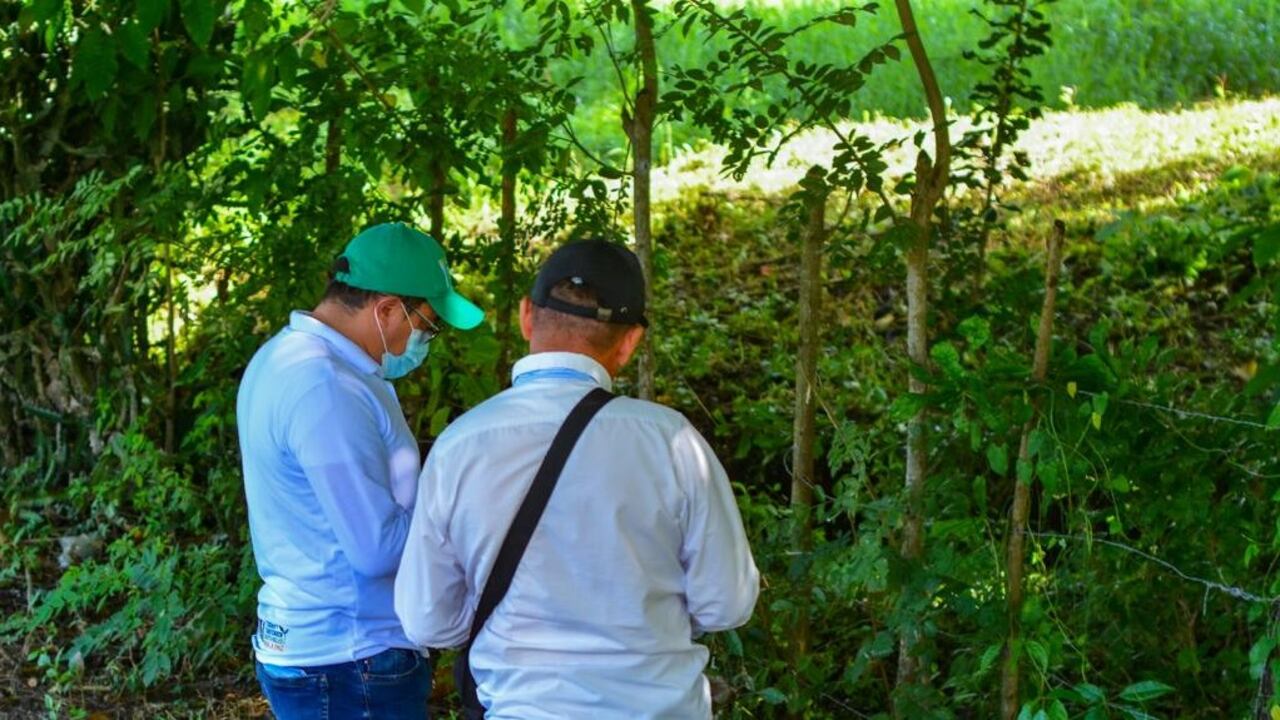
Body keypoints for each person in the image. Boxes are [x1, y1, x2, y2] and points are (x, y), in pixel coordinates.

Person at [394, 239, 759, 719]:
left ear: (527, 316)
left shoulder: (460, 446)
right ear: (629, 342)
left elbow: (426, 619)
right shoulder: (671, 442)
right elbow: (726, 605)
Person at [237, 222, 484, 719]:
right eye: (429, 325)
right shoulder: (325, 388)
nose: (428, 340)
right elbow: (376, 547)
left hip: (328, 652)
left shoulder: (289, 360)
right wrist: (461, 505)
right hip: (350, 659)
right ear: (388, 308)